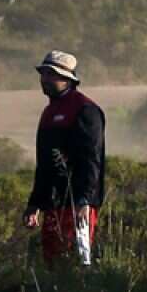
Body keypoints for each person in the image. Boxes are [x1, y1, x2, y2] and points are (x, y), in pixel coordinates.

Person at [22, 51, 107, 265]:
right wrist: (35, 203)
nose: (45, 79)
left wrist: (84, 200)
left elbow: (91, 159)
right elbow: (44, 165)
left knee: (76, 263)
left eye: (51, 74)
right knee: (52, 263)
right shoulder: (48, 112)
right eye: (43, 73)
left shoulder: (85, 109)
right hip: (53, 204)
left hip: (77, 205)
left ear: (68, 78)